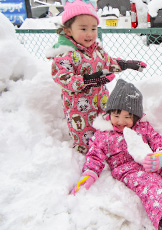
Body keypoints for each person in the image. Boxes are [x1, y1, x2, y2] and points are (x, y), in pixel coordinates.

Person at [70, 79, 162, 230]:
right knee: (151, 185)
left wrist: (161, 156)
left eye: (127, 117)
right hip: (129, 170)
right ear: (110, 112)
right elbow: (95, 157)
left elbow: (158, 141)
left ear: (136, 117)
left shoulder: (142, 127)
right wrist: (89, 175)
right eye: (117, 115)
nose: (121, 121)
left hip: (151, 160)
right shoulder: (104, 134)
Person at [46, 0, 146, 154]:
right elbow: (63, 78)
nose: (90, 33)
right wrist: (89, 80)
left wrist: (126, 64)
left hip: (101, 102)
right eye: (83, 28)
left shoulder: (96, 50)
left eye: (93, 28)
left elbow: (108, 64)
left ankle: (104, 152)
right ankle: (87, 159)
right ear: (68, 31)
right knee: (85, 139)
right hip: (79, 110)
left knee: (104, 130)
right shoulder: (64, 54)